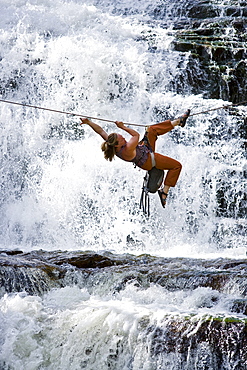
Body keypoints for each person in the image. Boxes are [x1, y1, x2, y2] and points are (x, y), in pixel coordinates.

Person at [80, 109, 190, 208]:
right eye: (121, 138)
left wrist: (89, 122)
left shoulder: (111, 144)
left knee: (151, 129)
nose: (123, 137)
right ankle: (164, 193)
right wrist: (123, 127)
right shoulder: (127, 148)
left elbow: (101, 131)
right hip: (148, 159)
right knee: (177, 166)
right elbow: (135, 135)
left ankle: (178, 121)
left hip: (144, 149)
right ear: (117, 145)